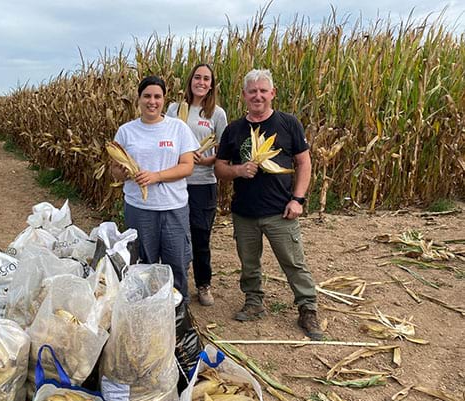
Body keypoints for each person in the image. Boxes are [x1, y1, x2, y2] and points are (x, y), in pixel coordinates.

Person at [214, 69, 323, 340]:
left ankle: (307, 308)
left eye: (263, 91)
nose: (258, 96)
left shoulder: (288, 124)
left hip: (281, 211)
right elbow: (219, 168)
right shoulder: (234, 130)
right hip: (245, 212)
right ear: (244, 96)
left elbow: (303, 162)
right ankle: (254, 302)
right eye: (252, 91)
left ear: (272, 93)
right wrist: (238, 171)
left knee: (293, 262)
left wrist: (298, 199)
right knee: (248, 262)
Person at [110, 75, 199, 303]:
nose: (152, 101)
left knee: (176, 264)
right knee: (142, 265)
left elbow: (187, 166)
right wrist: (124, 170)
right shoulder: (126, 131)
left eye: (157, 96)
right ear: (138, 99)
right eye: (147, 96)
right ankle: (145, 310)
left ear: (164, 99)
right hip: (139, 208)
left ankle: (179, 311)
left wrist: (156, 176)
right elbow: (115, 173)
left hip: (173, 208)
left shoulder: (178, 128)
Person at [165, 64, 227, 307]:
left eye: (206, 79)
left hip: (202, 182)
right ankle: (174, 285)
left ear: (211, 84)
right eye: (197, 77)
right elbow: (166, 139)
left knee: (201, 236)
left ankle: (203, 284)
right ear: (190, 80)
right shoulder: (174, 109)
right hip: (176, 182)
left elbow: (224, 149)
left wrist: (208, 159)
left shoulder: (216, 114)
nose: (201, 82)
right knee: (175, 237)